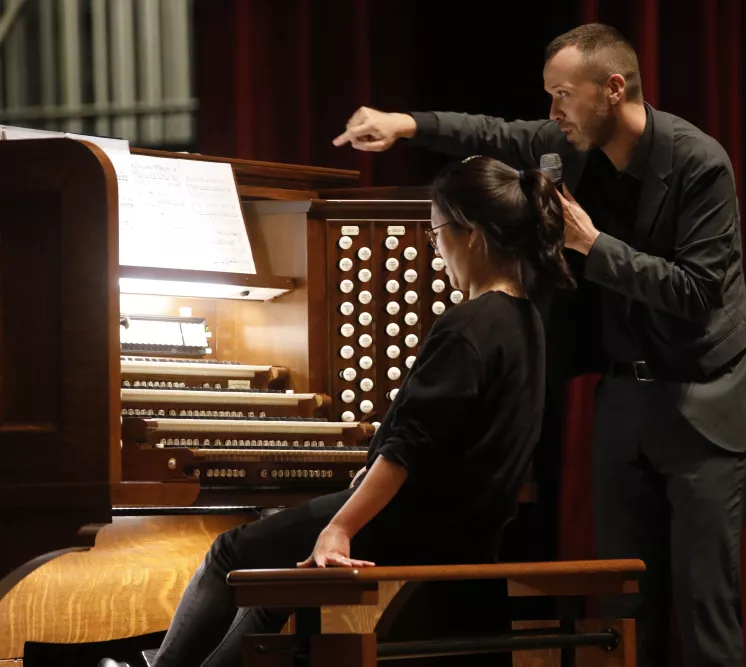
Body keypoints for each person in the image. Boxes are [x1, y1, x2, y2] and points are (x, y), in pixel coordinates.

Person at [332, 23, 746, 667]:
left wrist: (594, 246)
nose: (552, 112)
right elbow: (492, 133)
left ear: (612, 90)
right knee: (625, 609)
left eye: (562, 95)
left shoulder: (699, 163)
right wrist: (404, 123)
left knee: (705, 608)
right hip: (624, 397)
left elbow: (698, 292)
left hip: (704, 401)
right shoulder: (573, 144)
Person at [130, 156, 576, 667]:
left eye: (435, 235)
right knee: (280, 588)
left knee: (228, 554)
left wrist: (340, 525)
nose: (437, 250)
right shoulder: (527, 322)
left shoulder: (469, 324)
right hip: (465, 528)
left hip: (408, 524)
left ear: (472, 234)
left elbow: (408, 447)